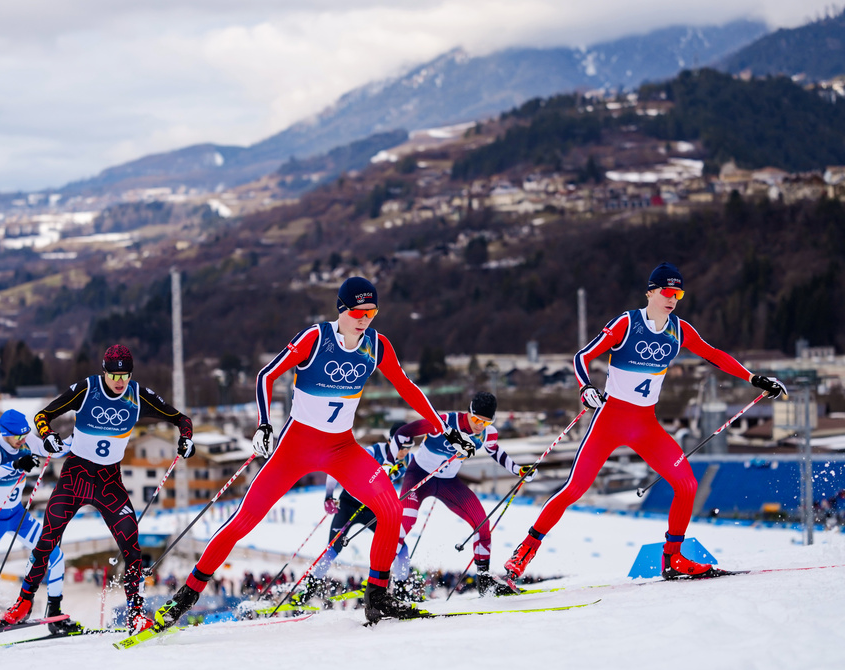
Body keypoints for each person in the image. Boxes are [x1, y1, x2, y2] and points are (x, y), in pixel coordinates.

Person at [154, 277, 475, 626]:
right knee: (242, 522)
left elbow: (407, 388)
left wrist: (444, 429)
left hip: (342, 449)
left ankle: (378, 596)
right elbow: (266, 376)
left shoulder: (377, 346)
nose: (364, 318)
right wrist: (264, 424)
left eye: (372, 311)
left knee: (390, 509)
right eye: (357, 311)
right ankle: (184, 598)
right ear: (341, 309)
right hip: (295, 449)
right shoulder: (315, 338)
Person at [504, 262, 787, 584]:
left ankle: (673, 558)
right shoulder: (627, 323)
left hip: (645, 425)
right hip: (609, 422)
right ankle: (522, 554)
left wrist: (755, 378)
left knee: (687, 484)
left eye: (678, 293)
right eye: (667, 292)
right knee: (574, 489)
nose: (673, 299)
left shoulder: (680, 330)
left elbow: (714, 354)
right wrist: (585, 387)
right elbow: (581, 356)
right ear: (650, 292)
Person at [0, 345, 195, 634]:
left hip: (108, 482)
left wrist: (187, 438)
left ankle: (135, 613)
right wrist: (48, 435)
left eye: (125, 375)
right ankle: (24, 603)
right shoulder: (87, 389)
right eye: (114, 374)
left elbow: (181, 419)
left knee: (131, 542)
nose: (119, 381)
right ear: (104, 371)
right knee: (47, 539)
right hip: (75, 476)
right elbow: (44, 415)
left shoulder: (138, 395)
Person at [393, 392, 535, 597]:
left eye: (487, 422)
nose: (480, 426)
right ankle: (393, 584)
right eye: (477, 419)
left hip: (448, 483)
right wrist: (396, 460)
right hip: (419, 477)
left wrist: (518, 470)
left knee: (482, 523)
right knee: (404, 522)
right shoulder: (443, 422)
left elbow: (495, 451)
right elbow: (404, 432)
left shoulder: (487, 433)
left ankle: (484, 580)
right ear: (469, 411)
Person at [0, 409, 72, 653]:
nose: (22, 440)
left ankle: (55, 611)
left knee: (56, 556)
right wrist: (16, 464)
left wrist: (70, 439)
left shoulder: (25, 439)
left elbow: (52, 449)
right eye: (17, 437)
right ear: (5, 434)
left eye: (25, 435)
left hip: (17, 515)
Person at [291, 422, 416, 606]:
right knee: (333, 548)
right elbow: (336, 469)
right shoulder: (372, 453)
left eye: (408, 448)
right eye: (401, 447)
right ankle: (309, 588)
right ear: (390, 441)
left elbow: (426, 465)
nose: (404, 452)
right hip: (350, 504)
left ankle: (402, 589)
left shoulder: (408, 459)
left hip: (374, 509)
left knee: (400, 546)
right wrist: (328, 496)